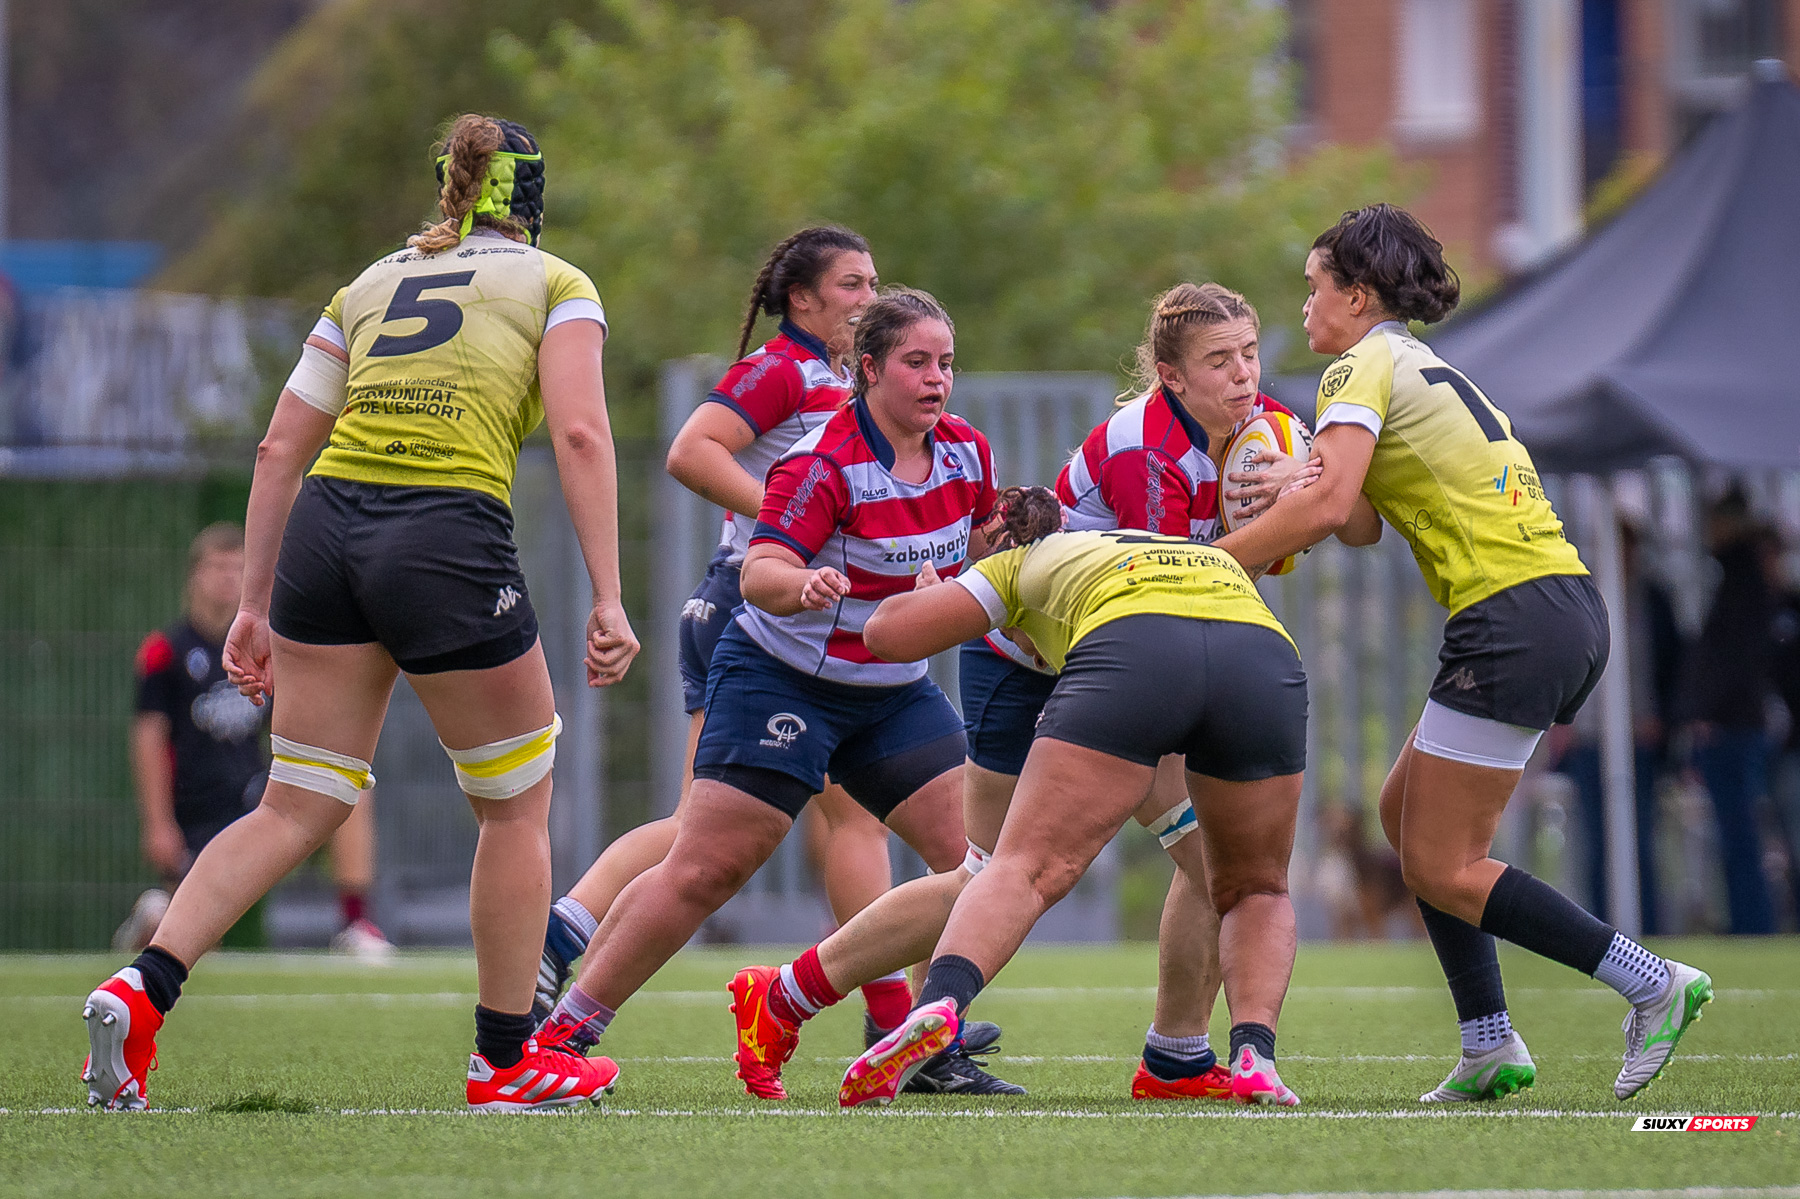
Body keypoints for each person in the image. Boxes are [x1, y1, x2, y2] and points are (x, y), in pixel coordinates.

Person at [80, 114, 638, 1112]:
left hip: (326, 534)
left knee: (295, 801)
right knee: (513, 807)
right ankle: (506, 1057)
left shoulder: (371, 280)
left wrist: (250, 602)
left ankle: (143, 984)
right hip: (445, 531)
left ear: (448, 193)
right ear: (534, 205)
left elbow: (275, 452)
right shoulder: (558, 283)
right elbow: (585, 434)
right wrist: (609, 592)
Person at [730, 282, 1313, 1104]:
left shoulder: (1262, 428)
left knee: (1033, 872)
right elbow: (1181, 585)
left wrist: (1308, 482)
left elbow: (1326, 524)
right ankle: (1172, 1056)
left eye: (1250, 354)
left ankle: (793, 994)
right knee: (1050, 871)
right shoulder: (1145, 447)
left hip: (1116, 655)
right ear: (1171, 377)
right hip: (1036, 655)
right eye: (1221, 360)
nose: (1245, 376)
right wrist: (1295, 512)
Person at [1211, 202, 1712, 1103]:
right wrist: (1302, 474)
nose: (1305, 307)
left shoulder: (1359, 364)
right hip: (1553, 603)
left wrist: (1202, 565)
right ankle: (1489, 1040)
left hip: (1513, 614)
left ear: (1357, 296)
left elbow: (1326, 516)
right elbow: (1358, 521)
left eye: (1315, 287)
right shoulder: (1415, 360)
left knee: (1444, 860)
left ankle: (1650, 981)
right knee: (1405, 815)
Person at [533, 288, 990, 1089]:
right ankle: (562, 1034)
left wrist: (1001, 549)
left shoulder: (966, 453)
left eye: (946, 363)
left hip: (893, 690)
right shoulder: (821, 458)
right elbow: (762, 569)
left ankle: (889, 1031)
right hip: (783, 678)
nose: (936, 379)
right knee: (706, 867)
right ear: (869, 369)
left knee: (981, 864)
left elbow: (978, 541)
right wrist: (804, 584)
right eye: (917, 363)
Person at [836, 495, 1310, 1108]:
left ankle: (939, 1004)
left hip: (1132, 651)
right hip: (1260, 651)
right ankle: (1254, 1054)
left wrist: (930, 592)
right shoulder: (1144, 542)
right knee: (1258, 888)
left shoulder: (1012, 565)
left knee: (1021, 867)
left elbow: (887, 636)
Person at [115, 523, 393, 961]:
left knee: (349, 788)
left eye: (236, 569)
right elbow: (148, 738)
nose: (227, 578)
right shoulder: (164, 651)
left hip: (253, 797)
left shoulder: (262, 648)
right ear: (194, 576)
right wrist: (158, 823)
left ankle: (355, 922)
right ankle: (157, 921)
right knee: (197, 949)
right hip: (195, 811)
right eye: (216, 568)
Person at [1548, 520, 1683, 933]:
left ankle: (1648, 927)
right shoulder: (1581, 597)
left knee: (1640, 841)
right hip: (1590, 739)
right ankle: (1602, 932)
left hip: (1640, 738)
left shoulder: (1653, 600)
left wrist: (1665, 721)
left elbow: (1673, 666)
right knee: (1596, 844)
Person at [1685, 487, 1779, 935]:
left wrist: (1705, 711)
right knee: (1739, 835)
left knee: (1739, 835)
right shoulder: (1742, 578)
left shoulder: (1740, 580)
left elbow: (1733, 659)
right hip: (1740, 722)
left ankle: (1752, 925)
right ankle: (1750, 922)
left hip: (1734, 726)